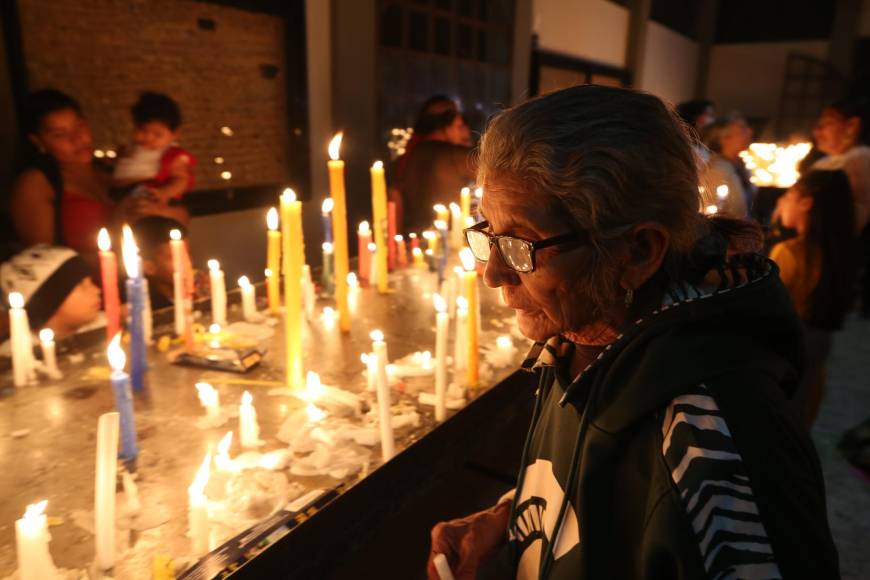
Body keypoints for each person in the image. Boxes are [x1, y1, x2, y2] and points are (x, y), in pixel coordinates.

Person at [428, 85, 839, 579]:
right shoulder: (584, 336)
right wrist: (513, 519)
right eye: (489, 232)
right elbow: (610, 484)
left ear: (639, 251)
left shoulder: (714, 449)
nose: (493, 272)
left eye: (522, 242)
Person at [770, 170, 857, 427]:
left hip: (784, 367)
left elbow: (766, 308)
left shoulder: (789, 253)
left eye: (788, 195)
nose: (781, 201)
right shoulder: (841, 253)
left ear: (806, 203)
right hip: (813, 375)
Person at [8, 89, 114, 264]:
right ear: (38, 141)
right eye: (60, 134)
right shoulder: (36, 183)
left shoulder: (106, 169)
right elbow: (43, 262)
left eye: (79, 126)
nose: (77, 138)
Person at [392, 96, 475, 232]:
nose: (465, 132)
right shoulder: (454, 156)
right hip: (446, 238)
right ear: (445, 126)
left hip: (412, 239)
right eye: (460, 125)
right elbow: (498, 169)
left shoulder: (408, 156)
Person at [113, 92, 197, 224]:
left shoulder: (171, 154)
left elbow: (182, 180)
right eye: (142, 130)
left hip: (149, 192)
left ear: (174, 135)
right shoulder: (132, 148)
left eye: (157, 134)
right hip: (121, 192)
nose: (148, 138)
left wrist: (164, 193)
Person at [0, 245, 102, 341]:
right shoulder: (16, 354)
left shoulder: (107, 325)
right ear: (49, 302)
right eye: (81, 285)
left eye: (91, 282)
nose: (97, 290)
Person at [130, 216, 192, 310]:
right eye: (175, 258)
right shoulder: (150, 308)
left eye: (187, 254)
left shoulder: (195, 294)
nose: (187, 263)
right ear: (149, 267)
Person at [700, 114, 755, 218]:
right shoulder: (716, 171)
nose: (750, 131)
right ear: (725, 138)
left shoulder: (738, 165)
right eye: (742, 129)